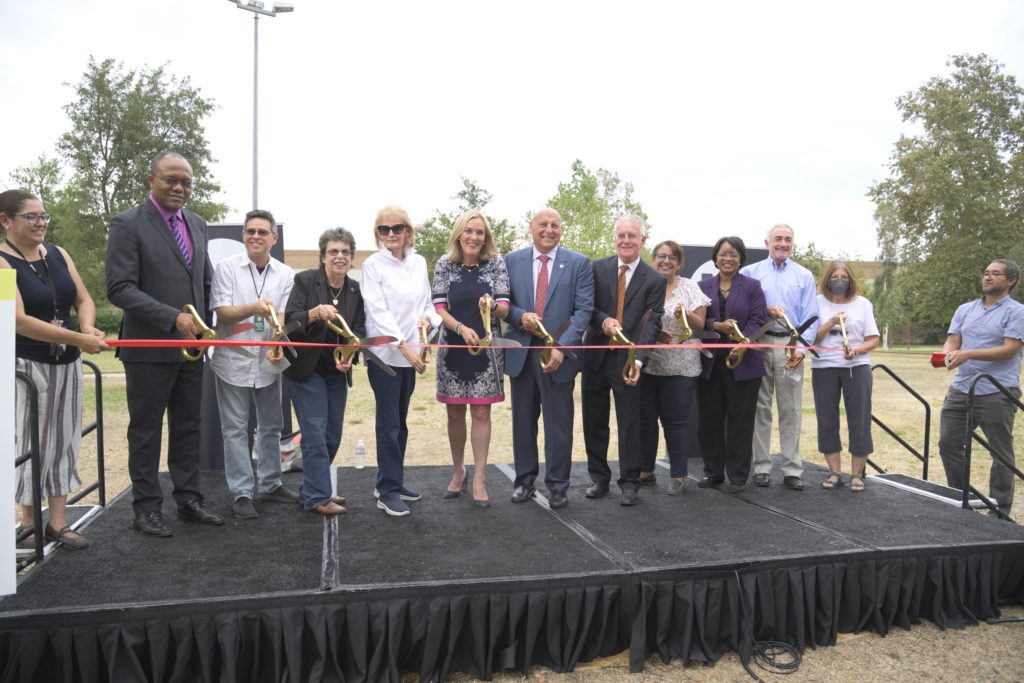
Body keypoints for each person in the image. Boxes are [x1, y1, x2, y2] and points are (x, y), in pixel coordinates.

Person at [106, 151, 224, 537]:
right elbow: (119, 288)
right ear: (150, 179)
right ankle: (146, 508)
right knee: (146, 430)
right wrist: (172, 318)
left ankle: (188, 500)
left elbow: (203, 281)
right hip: (148, 348)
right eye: (170, 180)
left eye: (186, 182)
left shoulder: (197, 223)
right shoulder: (127, 224)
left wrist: (208, 325)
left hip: (192, 350)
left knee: (189, 426)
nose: (179, 188)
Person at [1, 190, 109, 550]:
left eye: (43, 216)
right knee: (33, 442)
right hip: (27, 365)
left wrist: (89, 327)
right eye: (31, 217)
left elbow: (83, 298)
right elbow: (17, 322)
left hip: (67, 362)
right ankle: (30, 522)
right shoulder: (1, 264)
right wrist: (78, 338)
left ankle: (59, 523)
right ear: (5, 221)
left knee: (64, 440)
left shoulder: (60, 254)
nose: (41, 223)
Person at [503, 208, 594, 508]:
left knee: (559, 425)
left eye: (555, 225)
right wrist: (519, 316)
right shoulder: (511, 260)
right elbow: (504, 305)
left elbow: (583, 311)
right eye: (543, 224)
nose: (549, 230)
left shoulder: (579, 263)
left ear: (561, 230)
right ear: (531, 227)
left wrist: (561, 347)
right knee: (523, 423)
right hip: (523, 353)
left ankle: (558, 485)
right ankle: (524, 481)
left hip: (559, 355)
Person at [210, 209, 298, 519]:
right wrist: (256, 308)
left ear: (274, 238)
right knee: (235, 429)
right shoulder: (226, 268)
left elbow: (284, 317)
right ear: (243, 236)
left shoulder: (286, 274)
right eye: (251, 231)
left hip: (269, 361)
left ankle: (271, 483)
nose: (255, 236)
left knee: (272, 425)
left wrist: (277, 344)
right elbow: (223, 313)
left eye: (262, 232)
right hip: (232, 359)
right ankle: (242, 492)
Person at [361, 205, 441, 517]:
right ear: (377, 233)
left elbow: (427, 303)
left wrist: (429, 322)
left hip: (411, 355)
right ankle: (387, 491)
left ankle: (391, 479)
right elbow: (377, 312)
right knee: (389, 423)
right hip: (385, 356)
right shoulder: (372, 265)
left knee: (401, 422)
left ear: (407, 231)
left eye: (397, 228)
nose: (391, 234)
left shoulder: (419, 262)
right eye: (384, 229)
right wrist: (404, 347)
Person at [431, 210, 511, 508]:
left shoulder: (496, 264)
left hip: (486, 352)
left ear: (485, 237)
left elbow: (504, 305)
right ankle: (458, 471)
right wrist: (461, 328)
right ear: (458, 234)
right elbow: (439, 307)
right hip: (452, 347)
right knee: (454, 413)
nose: (474, 237)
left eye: (480, 232)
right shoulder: (444, 264)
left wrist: (492, 305)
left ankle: (479, 478)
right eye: (469, 231)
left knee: (480, 413)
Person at [582, 215, 663, 506]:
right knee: (594, 419)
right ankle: (598, 478)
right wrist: (603, 321)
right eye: (621, 235)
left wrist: (638, 362)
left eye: (632, 235)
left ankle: (630, 483)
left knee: (630, 423)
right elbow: (587, 308)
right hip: (596, 356)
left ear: (643, 240)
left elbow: (652, 324)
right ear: (614, 238)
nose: (626, 240)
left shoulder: (654, 279)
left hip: (628, 361)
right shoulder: (596, 268)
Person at [283, 228, 364, 516]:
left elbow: (359, 329)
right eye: (333, 251)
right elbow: (290, 322)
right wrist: (315, 312)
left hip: (336, 372)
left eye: (345, 251)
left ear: (351, 258)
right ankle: (318, 496)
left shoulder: (354, 289)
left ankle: (310, 488)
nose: (339, 256)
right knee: (315, 433)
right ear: (322, 257)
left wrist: (350, 353)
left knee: (331, 435)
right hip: (306, 370)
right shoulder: (305, 281)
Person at [938, 260, 1024, 518]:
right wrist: (947, 355)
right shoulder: (965, 309)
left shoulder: (1016, 312)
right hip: (962, 388)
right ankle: (962, 500)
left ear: (1011, 281)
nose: (988, 277)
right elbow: (952, 341)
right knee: (948, 444)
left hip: (997, 390)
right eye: (986, 273)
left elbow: (1010, 349)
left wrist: (969, 353)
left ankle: (999, 510)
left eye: (995, 274)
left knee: (1000, 452)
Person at [741, 223, 818, 491]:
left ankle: (791, 469)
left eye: (787, 239)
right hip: (760, 342)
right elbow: (745, 310)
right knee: (760, 408)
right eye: (778, 239)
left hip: (790, 344)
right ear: (767, 243)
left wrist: (801, 351)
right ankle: (761, 467)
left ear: (792, 243)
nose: (783, 244)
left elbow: (812, 317)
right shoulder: (751, 273)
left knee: (791, 409)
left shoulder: (804, 276)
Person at [638, 240, 710, 495]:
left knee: (676, 422)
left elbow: (700, 323)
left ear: (679, 263)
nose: (665, 261)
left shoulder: (690, 288)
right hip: (647, 363)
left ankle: (678, 475)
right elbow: (635, 320)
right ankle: (645, 471)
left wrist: (685, 315)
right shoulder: (644, 284)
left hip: (681, 365)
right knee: (646, 420)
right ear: (653, 259)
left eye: (671, 257)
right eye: (660, 256)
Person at [697, 236, 767, 491]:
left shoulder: (752, 286)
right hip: (710, 364)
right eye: (723, 254)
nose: (728, 258)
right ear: (715, 257)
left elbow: (758, 320)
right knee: (710, 420)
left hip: (744, 363)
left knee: (741, 420)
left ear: (741, 259)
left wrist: (742, 343)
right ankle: (712, 473)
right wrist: (714, 325)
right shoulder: (702, 286)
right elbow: (696, 321)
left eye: (734, 254)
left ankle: (738, 476)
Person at [811, 260, 880, 492]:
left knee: (859, 420)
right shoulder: (816, 303)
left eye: (844, 277)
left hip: (857, 367)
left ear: (850, 280)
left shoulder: (862, 304)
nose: (839, 281)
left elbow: (873, 338)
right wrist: (830, 322)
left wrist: (857, 350)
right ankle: (834, 472)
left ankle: (857, 474)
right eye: (834, 276)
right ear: (827, 278)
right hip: (824, 368)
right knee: (827, 420)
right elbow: (812, 338)